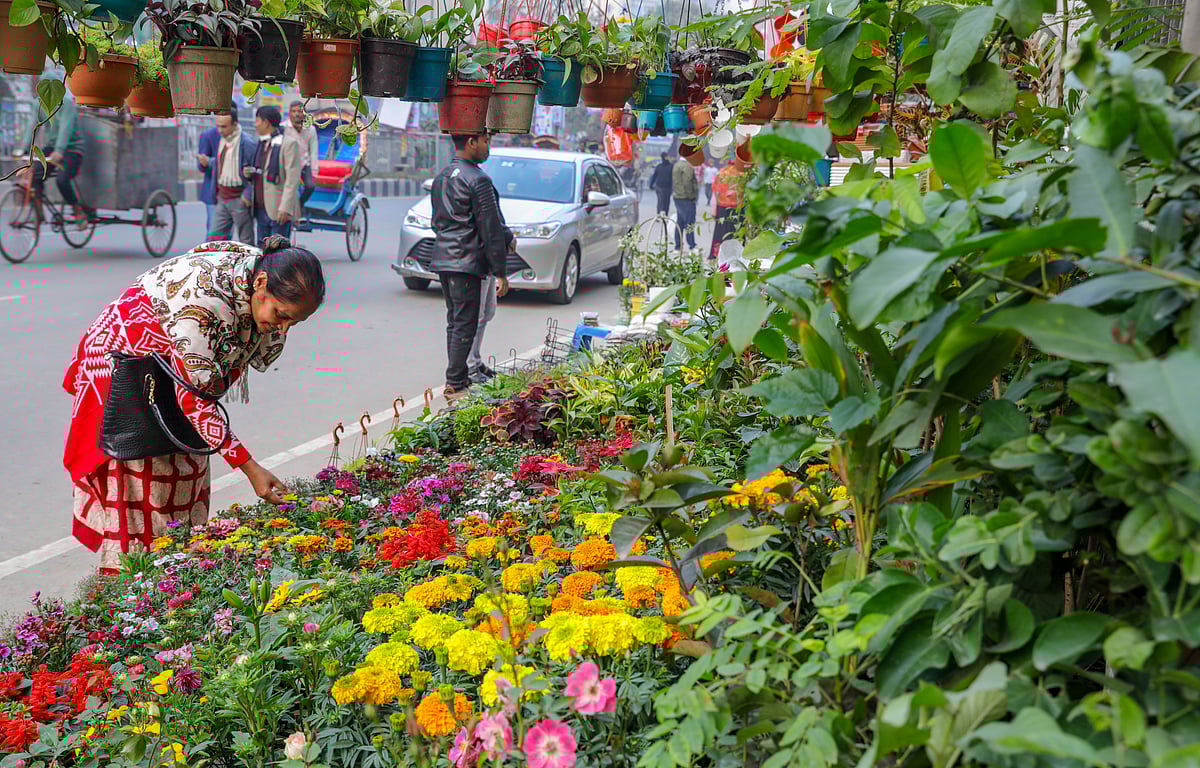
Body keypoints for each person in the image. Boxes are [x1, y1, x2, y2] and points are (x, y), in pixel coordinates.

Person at [63, 237, 325, 574]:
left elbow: (198, 396)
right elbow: (195, 401)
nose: (283, 328)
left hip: (172, 374)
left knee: (188, 471)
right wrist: (251, 470)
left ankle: (176, 579)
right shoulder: (206, 304)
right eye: (281, 315)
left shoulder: (258, 273)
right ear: (260, 285)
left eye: (294, 323)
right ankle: (127, 590)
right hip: (127, 372)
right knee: (142, 496)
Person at [429, 132, 514, 401]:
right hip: (466, 262)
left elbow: (437, 222)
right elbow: (490, 230)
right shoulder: (478, 180)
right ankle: (455, 381)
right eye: (485, 141)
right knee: (464, 323)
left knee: (455, 322)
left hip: (444, 259)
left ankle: (459, 376)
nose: (488, 147)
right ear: (471, 143)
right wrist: (500, 271)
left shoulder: (443, 176)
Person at [19, 74, 86, 225]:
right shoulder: (39, 104)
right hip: (52, 147)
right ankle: (38, 211)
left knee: (62, 180)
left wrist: (59, 151)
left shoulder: (66, 103)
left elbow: (65, 128)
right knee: (34, 175)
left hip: (72, 149)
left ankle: (77, 209)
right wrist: (23, 149)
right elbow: (32, 125)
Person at [248, 105, 301, 245]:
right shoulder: (261, 143)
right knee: (262, 249)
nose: (256, 124)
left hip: (278, 209)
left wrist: (285, 208)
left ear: (266, 122)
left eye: (258, 120)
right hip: (261, 207)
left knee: (278, 252)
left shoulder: (288, 144)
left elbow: (292, 179)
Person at [206, 109, 257, 243]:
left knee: (246, 241)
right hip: (223, 197)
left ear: (235, 124)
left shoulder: (247, 143)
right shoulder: (222, 141)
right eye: (218, 126)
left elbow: (256, 172)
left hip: (239, 198)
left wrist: (247, 195)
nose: (220, 130)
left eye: (224, 126)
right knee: (214, 239)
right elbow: (220, 164)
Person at [711, 160, 747, 266]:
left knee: (721, 232)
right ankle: (738, 255)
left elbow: (717, 192)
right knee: (737, 232)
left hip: (723, 208)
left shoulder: (723, 172)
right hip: (738, 208)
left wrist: (714, 209)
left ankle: (718, 255)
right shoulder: (743, 174)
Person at [284, 100, 319, 209]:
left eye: (299, 111)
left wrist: (314, 170)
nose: (296, 114)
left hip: (304, 164)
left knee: (310, 186)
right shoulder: (283, 128)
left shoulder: (311, 130)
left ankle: (300, 205)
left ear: (304, 113)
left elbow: (313, 151)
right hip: (287, 164)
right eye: (293, 111)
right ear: (289, 113)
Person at [197, 111, 223, 233]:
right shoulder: (208, 136)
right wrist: (205, 162)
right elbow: (201, 167)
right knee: (213, 232)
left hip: (233, 193)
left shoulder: (243, 140)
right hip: (213, 191)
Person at [672, 153, 699, 251]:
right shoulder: (687, 166)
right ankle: (692, 245)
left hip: (678, 196)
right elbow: (688, 182)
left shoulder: (676, 165)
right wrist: (692, 196)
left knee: (680, 222)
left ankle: (678, 246)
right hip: (686, 198)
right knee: (689, 222)